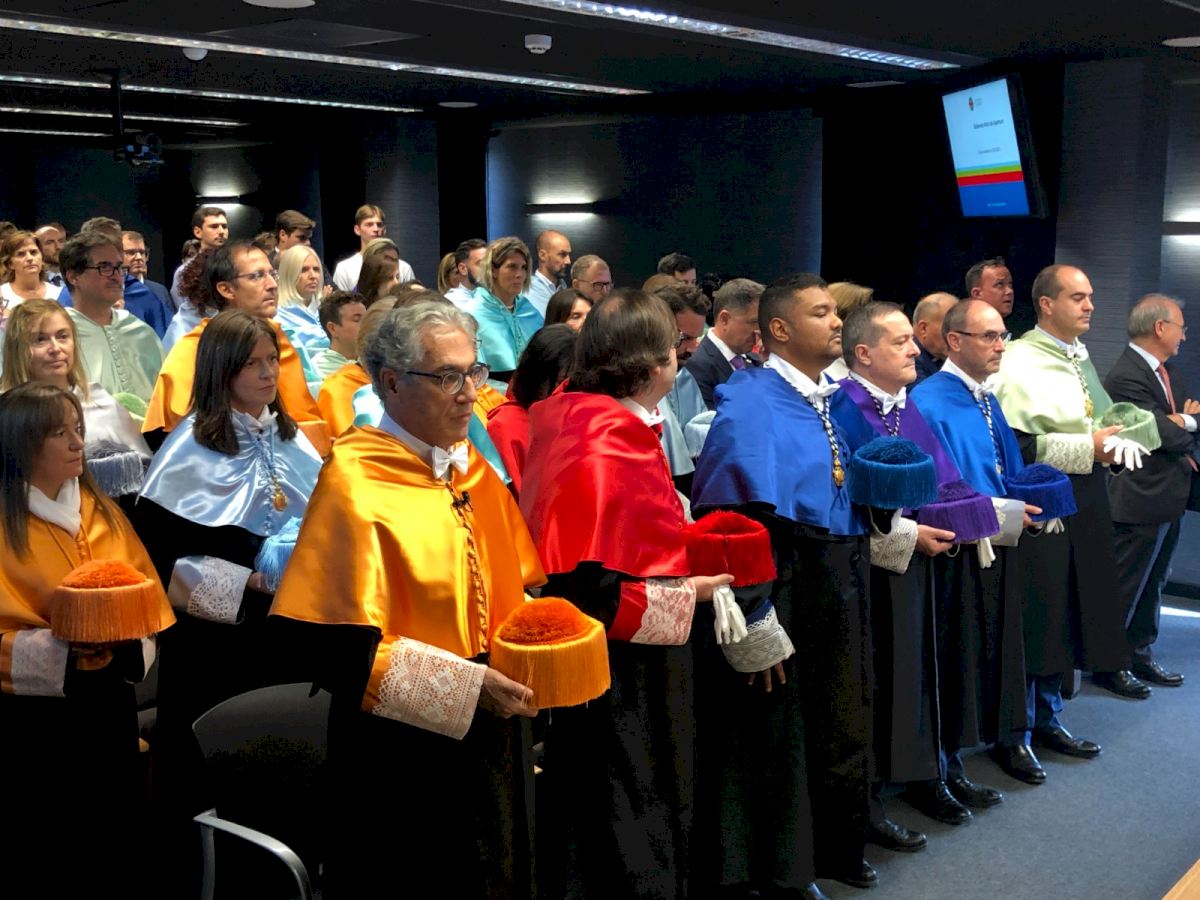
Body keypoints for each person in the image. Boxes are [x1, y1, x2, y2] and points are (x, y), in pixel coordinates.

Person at [269, 301, 546, 898]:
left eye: (474, 372)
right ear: (391, 382)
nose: (470, 393)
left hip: (494, 729)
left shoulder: (472, 472)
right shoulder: (355, 482)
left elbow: (514, 587)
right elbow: (331, 648)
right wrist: (466, 686)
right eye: (447, 376)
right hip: (403, 757)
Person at [520, 288, 732, 899]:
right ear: (650, 365)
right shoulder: (608, 439)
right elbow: (595, 588)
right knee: (633, 795)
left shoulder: (575, 416)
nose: (681, 357)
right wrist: (691, 594)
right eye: (674, 347)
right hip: (625, 667)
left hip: (606, 655)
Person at [692, 273, 879, 891]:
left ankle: (832, 849)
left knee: (840, 715)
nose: (837, 322)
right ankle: (783, 870)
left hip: (840, 574)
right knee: (781, 728)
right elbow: (731, 518)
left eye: (834, 312)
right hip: (787, 581)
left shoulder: (834, 397)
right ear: (779, 329)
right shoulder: (751, 402)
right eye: (821, 313)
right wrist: (755, 616)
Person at [134, 310, 322, 891]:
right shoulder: (186, 451)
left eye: (272, 361)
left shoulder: (291, 437)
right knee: (221, 778)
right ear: (222, 371)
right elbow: (161, 564)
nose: (268, 374)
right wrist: (249, 583)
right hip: (216, 650)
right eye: (252, 365)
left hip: (288, 634)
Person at [0, 382, 172, 894]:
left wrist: (121, 637)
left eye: (78, 429)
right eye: (60, 433)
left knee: (117, 841)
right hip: (34, 722)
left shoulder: (101, 510)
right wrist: (65, 651)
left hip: (109, 704)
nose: (79, 442)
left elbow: (146, 598)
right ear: (21, 443)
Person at [835, 301, 996, 840]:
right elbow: (845, 503)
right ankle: (882, 790)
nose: (913, 350)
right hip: (876, 572)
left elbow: (945, 480)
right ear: (864, 354)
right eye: (900, 341)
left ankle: (936, 769)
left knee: (936, 667)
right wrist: (908, 536)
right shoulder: (844, 407)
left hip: (931, 562)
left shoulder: (906, 404)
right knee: (888, 678)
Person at [912, 299, 1053, 788]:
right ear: (954, 341)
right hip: (958, 546)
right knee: (957, 651)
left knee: (1005, 642)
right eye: (989, 336)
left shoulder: (986, 397)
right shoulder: (929, 401)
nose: (1000, 346)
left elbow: (1004, 464)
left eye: (1002, 336)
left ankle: (1009, 736)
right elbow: (940, 484)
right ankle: (946, 757)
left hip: (1002, 537)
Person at [992, 264, 1129, 753]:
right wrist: (1088, 448)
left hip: (1085, 499)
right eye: (1077, 297)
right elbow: (1016, 446)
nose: (1090, 305)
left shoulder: (1077, 356)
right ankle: (1016, 730)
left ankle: (1049, 716)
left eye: (1090, 296)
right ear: (1047, 304)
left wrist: (1114, 447)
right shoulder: (1017, 360)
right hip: (1039, 503)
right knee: (1039, 614)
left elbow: (1094, 422)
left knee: (1069, 610)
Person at [142, 240, 330, 455]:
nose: (272, 285)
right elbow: (185, 433)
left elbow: (305, 417)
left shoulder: (277, 337)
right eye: (257, 276)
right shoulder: (195, 348)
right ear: (226, 289)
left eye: (272, 274)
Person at [1104, 294, 1197, 688]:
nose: (1184, 336)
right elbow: (1159, 435)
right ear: (1160, 327)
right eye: (1180, 328)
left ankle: (1139, 655)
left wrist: (1181, 423)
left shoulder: (1167, 372)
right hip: (1138, 499)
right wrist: (1188, 422)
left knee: (1153, 585)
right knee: (1125, 588)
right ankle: (1110, 666)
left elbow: (1173, 429)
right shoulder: (1126, 375)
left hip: (1168, 498)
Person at [1, 299, 150, 458]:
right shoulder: (6, 414)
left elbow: (142, 465)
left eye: (62, 336)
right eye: (40, 339)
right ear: (17, 349)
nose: (55, 348)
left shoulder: (102, 404)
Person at [61, 232, 164, 406]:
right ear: (73, 277)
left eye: (119, 267)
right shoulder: (61, 336)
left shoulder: (139, 330)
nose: (117, 276)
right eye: (104, 267)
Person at [486, 323, 577, 495]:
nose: (565, 392)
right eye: (560, 382)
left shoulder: (577, 422)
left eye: (572, 384)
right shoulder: (507, 425)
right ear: (536, 376)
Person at [464, 236, 543, 388]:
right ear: (493, 270)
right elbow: (472, 375)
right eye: (512, 267)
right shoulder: (473, 314)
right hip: (491, 395)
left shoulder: (530, 311)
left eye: (524, 267)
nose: (519, 274)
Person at [686, 277, 763, 409]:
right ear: (724, 319)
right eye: (753, 322)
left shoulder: (757, 361)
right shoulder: (696, 366)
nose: (759, 331)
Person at [331, 204, 415, 291]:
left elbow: (412, 298)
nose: (376, 229)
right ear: (357, 230)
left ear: (384, 230)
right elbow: (340, 299)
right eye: (369, 224)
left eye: (379, 225)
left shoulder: (403, 268)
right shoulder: (344, 268)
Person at [275, 244, 330, 352]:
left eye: (316, 269)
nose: (313, 276)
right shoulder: (277, 317)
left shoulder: (327, 310)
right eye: (304, 270)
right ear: (289, 273)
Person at [170, 206, 228, 310]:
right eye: (214, 226)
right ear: (198, 232)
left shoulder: (237, 264)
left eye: (224, 226)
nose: (221, 231)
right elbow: (182, 307)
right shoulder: (185, 271)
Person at [1, 230, 61, 313]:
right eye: (21, 254)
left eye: (33, 252)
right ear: (10, 263)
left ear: (42, 257)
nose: (29, 258)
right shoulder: (2, 295)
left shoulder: (60, 293)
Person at [312, 291, 367, 380]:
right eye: (357, 320)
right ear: (332, 328)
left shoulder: (375, 363)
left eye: (367, 318)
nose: (367, 324)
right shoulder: (317, 372)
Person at [911, 292, 958, 384]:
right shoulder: (908, 363)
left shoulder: (941, 357)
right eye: (949, 327)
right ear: (924, 328)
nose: (957, 336)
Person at [528, 230, 573, 316]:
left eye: (568, 255)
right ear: (542, 255)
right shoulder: (527, 292)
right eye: (562, 254)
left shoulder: (564, 288)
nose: (568, 261)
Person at [445, 237, 487, 308]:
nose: (488, 269)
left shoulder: (497, 299)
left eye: (489, 263)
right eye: (481, 264)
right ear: (463, 269)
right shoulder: (450, 304)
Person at [34, 223, 66, 287]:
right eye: (50, 242)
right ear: (37, 248)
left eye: (61, 241)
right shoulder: (32, 281)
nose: (58, 247)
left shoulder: (78, 277)